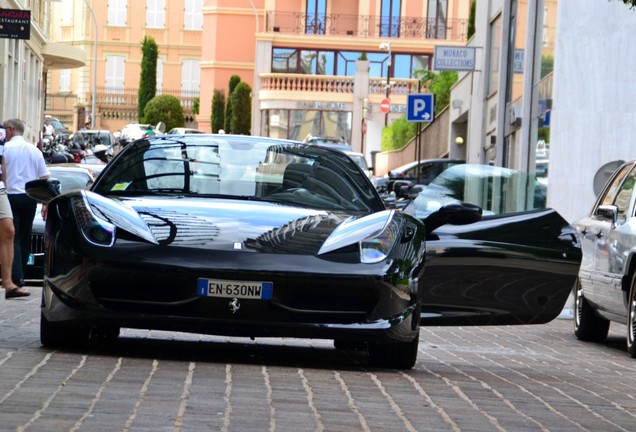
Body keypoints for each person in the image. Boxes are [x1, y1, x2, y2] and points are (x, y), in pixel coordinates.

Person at [3, 119, 49, 290]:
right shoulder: (34, 151)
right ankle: (21, 276)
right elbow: (44, 177)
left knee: (11, 238)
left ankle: (15, 278)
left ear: (11, 129)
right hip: (30, 198)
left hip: (10, 197)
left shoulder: (5, 149)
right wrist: (45, 202)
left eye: (4, 130)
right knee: (25, 237)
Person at [0, 125, 23, 298]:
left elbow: (2, 160)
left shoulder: (1, 131)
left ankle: (8, 283)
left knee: (9, 230)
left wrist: (5, 186)